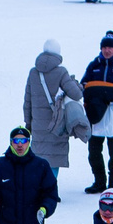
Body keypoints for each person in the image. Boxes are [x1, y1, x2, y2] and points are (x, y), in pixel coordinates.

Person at [80, 31, 113, 193]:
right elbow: (84, 83)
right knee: (94, 151)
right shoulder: (95, 64)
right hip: (95, 113)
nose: (107, 50)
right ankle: (99, 181)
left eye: (110, 47)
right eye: (104, 47)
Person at [23, 39, 80, 177]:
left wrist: (28, 123)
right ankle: (51, 189)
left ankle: (38, 190)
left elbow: (27, 101)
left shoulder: (33, 73)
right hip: (56, 124)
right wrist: (74, 84)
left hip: (37, 124)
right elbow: (76, 94)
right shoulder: (61, 72)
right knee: (53, 158)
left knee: (39, 157)